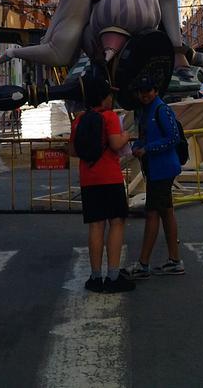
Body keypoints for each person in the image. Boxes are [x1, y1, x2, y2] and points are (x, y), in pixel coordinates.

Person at [68, 76, 133, 293]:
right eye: (109, 94)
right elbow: (115, 143)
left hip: (88, 178)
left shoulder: (79, 120)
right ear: (103, 97)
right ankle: (113, 276)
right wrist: (126, 135)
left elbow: (73, 151)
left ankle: (95, 277)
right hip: (110, 177)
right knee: (116, 222)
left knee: (96, 226)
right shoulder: (109, 117)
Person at [127, 80, 184, 278]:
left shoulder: (160, 109)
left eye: (148, 91)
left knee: (152, 214)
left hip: (162, 169)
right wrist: (137, 147)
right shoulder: (146, 111)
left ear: (156, 90)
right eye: (141, 92)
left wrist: (147, 149)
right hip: (156, 169)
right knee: (166, 212)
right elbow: (146, 137)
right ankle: (174, 260)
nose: (145, 95)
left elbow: (173, 137)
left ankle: (143, 264)